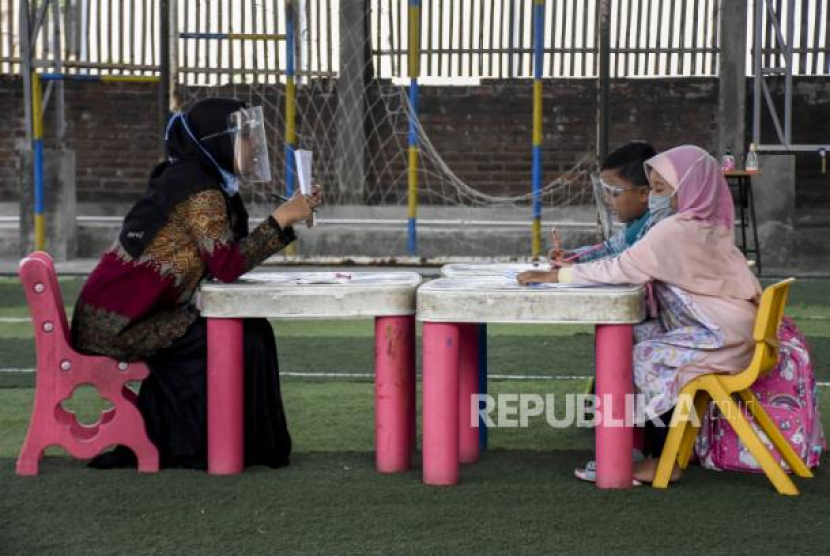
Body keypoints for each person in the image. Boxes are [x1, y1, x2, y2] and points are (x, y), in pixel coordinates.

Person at [71, 97, 321, 470]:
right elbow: (227, 264)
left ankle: (239, 445)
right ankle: (202, 446)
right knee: (241, 336)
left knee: (251, 331)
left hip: (127, 316)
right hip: (120, 326)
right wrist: (282, 218)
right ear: (216, 141)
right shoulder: (198, 192)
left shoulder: (196, 181)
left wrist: (284, 219)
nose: (254, 146)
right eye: (245, 137)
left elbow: (224, 255)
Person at [518, 145, 762, 484]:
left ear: (689, 188)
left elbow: (622, 267)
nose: (654, 200)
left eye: (661, 190)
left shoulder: (676, 229)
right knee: (637, 340)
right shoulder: (707, 224)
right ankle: (634, 444)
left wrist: (556, 276)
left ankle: (662, 459)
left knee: (645, 356)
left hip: (721, 337)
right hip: (733, 331)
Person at [551, 141, 659, 265]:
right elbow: (609, 248)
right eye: (604, 191)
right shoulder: (635, 225)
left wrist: (577, 269)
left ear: (643, 194)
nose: (607, 200)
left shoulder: (657, 226)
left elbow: (624, 263)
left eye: (613, 192)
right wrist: (574, 256)